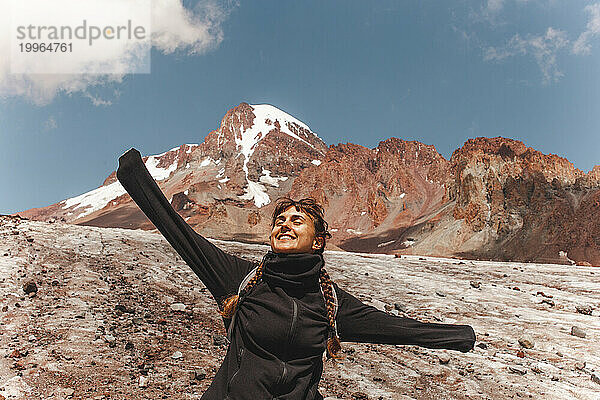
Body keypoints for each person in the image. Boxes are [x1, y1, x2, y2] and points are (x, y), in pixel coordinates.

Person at [116, 148, 476, 400]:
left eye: (296, 221)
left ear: (318, 241)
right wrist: (134, 176)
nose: (284, 226)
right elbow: (183, 236)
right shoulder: (241, 279)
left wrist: (459, 336)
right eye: (279, 221)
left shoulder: (330, 301)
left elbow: (395, 328)